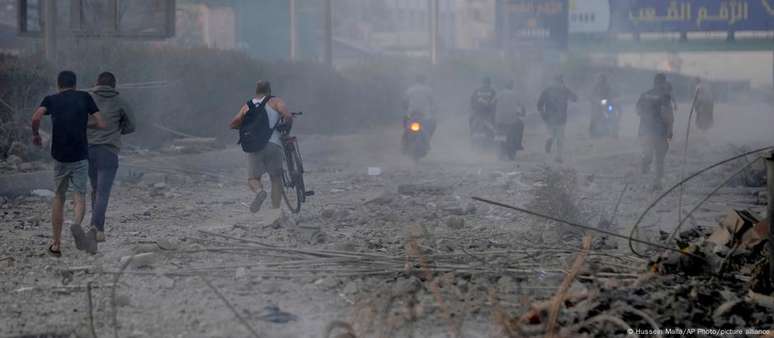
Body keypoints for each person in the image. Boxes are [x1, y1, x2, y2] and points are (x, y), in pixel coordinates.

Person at [31, 70, 106, 256]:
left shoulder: (51, 99)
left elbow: (36, 117)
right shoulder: (84, 97)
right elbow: (101, 123)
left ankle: (56, 244)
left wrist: (36, 135)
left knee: (59, 196)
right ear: (75, 84)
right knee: (79, 195)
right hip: (80, 155)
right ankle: (76, 224)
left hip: (60, 156)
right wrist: (84, 124)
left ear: (59, 84)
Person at [229, 80, 292, 213]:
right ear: (269, 90)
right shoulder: (275, 101)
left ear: (256, 91)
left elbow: (233, 123)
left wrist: (247, 127)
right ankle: (275, 212)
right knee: (276, 178)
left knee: (253, 179)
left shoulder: (248, 105)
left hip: (254, 146)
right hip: (274, 145)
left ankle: (259, 191)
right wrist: (286, 127)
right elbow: (287, 115)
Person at [87, 72, 136, 243]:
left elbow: (78, 120)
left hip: (88, 150)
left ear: (96, 83)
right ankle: (97, 227)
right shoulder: (120, 101)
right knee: (103, 192)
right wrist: (117, 129)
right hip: (108, 151)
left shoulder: (87, 99)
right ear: (114, 85)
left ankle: (94, 226)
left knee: (94, 189)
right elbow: (131, 125)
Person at [636, 73, 674, 190]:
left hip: (644, 129)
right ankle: (658, 182)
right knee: (660, 157)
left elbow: (638, 110)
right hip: (659, 130)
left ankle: (645, 160)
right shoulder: (665, 96)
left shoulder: (645, 94)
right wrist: (670, 129)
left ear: (654, 82)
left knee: (648, 150)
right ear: (662, 82)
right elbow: (666, 113)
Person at [537, 75, 577, 162]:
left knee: (550, 133)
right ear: (561, 81)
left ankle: (549, 138)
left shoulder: (547, 90)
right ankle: (559, 156)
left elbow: (539, 104)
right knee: (560, 138)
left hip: (549, 117)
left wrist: (542, 113)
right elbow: (574, 98)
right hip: (561, 118)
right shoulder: (564, 89)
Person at [495, 80, 525, 161]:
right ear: (512, 86)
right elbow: (520, 107)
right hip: (512, 120)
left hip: (500, 120)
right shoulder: (516, 95)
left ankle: (500, 151)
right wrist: (521, 113)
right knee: (521, 125)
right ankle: (518, 144)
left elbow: (493, 104)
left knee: (499, 133)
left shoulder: (499, 94)